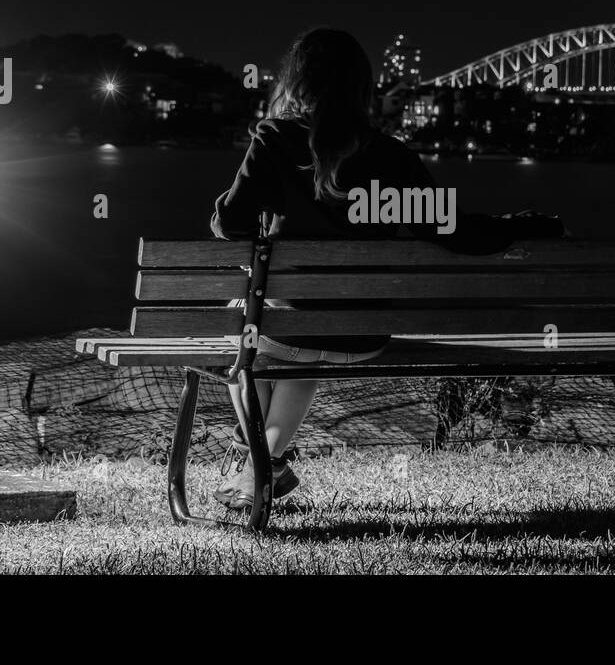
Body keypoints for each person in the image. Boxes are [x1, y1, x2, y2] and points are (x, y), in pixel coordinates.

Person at [209, 27, 564, 509]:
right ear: (362, 87)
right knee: (303, 346)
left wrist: (223, 206)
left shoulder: (274, 140)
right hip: (359, 335)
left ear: (297, 81)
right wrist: (515, 225)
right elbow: (452, 231)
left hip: (279, 327)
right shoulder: (393, 157)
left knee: (251, 323)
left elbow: (231, 224)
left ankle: (259, 462)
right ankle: (263, 465)